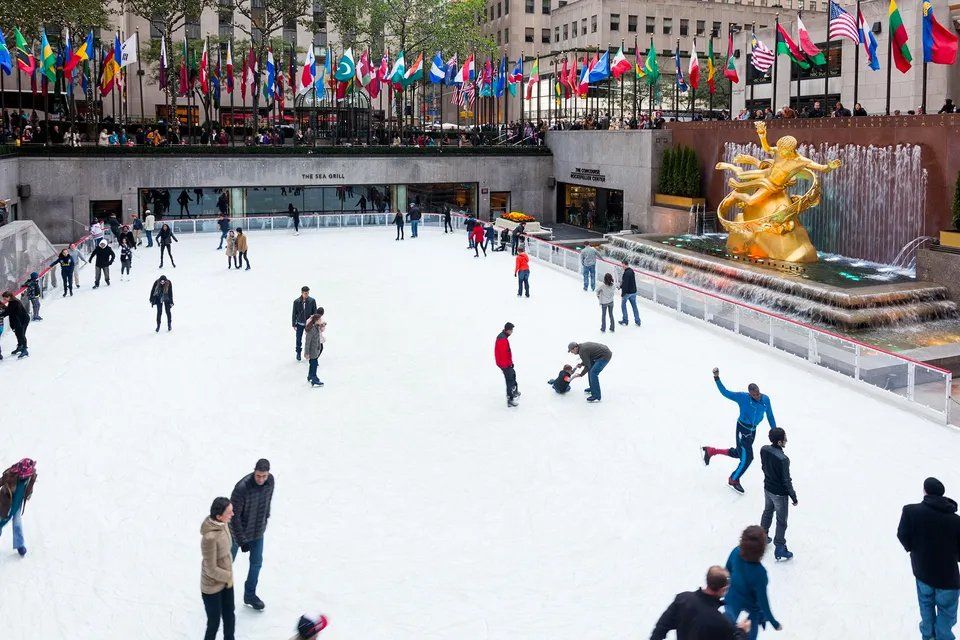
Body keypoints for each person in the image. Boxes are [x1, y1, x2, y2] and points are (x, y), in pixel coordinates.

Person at [898, 477, 960, 640]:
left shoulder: (911, 511)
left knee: (926, 607)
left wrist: (915, 550)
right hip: (948, 579)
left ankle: (928, 636)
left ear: (925, 491)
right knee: (946, 614)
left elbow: (902, 535)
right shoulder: (956, 521)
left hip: (923, 573)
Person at [701, 368, 777, 494]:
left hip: (752, 431)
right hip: (742, 430)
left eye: (758, 393)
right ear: (749, 394)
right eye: (754, 395)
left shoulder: (766, 400)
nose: (757, 397)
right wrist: (717, 378)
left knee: (739, 453)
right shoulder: (743, 397)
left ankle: (711, 451)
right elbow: (725, 392)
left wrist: (774, 430)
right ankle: (733, 479)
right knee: (748, 458)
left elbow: (770, 416)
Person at [650, 566, 751, 640]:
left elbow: (661, 628)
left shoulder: (682, 599)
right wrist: (742, 630)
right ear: (723, 589)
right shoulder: (720, 621)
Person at [229, 459, 275, 611]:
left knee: (256, 563)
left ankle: (250, 595)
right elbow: (233, 516)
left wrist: (265, 519)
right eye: (258, 476)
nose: (261, 479)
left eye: (264, 476)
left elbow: (268, 502)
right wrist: (242, 540)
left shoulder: (270, 482)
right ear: (254, 471)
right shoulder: (242, 488)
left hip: (257, 532)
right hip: (236, 533)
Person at [724, 526, 781, 639]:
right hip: (751, 608)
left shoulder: (736, 552)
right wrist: (774, 622)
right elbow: (762, 601)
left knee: (727, 630)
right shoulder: (760, 573)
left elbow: (727, 571)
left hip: (732, 599)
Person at [760, 428, 798, 561]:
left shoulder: (764, 449)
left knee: (767, 512)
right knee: (781, 521)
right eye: (785, 438)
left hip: (767, 488)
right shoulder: (783, 459)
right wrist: (793, 496)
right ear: (780, 441)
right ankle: (780, 547)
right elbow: (786, 481)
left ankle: (762, 538)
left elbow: (763, 467)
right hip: (779, 494)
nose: (786, 440)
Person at [201, 496, 236, 640]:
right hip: (212, 587)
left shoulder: (224, 524)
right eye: (229, 512)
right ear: (219, 516)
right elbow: (210, 569)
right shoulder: (209, 538)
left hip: (226, 581)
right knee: (214, 623)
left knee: (229, 615)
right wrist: (228, 576)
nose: (232, 514)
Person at [0, 458, 37, 557]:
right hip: (5, 503)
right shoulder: (11, 475)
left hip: (17, 503)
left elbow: (29, 490)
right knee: (1, 521)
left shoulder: (31, 475)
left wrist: (28, 493)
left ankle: (19, 544)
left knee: (17, 523)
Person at [494, 322, 520, 407]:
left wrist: (510, 363)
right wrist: (508, 364)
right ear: (508, 330)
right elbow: (504, 354)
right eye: (511, 330)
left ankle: (515, 392)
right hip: (504, 364)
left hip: (505, 363)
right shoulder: (502, 339)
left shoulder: (503, 337)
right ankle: (510, 400)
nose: (512, 332)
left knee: (513, 375)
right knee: (509, 380)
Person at [292, 286, 318, 361]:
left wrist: (314, 323)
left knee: (310, 339)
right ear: (302, 293)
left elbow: (315, 312)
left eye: (308, 293)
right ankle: (298, 353)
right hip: (299, 323)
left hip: (309, 324)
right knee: (298, 339)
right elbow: (294, 313)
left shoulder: (312, 301)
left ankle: (309, 354)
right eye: (305, 293)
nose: (307, 295)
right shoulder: (296, 302)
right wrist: (294, 324)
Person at [0, 292, 29, 358]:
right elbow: (8, 310)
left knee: (21, 335)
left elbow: (8, 312)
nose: (4, 299)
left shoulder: (15, 302)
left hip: (23, 320)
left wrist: (1, 315)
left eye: (5, 298)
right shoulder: (11, 302)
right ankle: (20, 347)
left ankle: (25, 350)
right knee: (18, 334)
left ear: (9, 296)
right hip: (18, 321)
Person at [304, 310, 326, 387]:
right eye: (319, 319)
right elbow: (307, 342)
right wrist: (306, 353)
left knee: (313, 364)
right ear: (316, 321)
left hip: (316, 350)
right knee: (314, 364)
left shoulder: (316, 327)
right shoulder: (311, 330)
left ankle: (310, 376)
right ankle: (314, 379)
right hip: (312, 351)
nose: (321, 320)